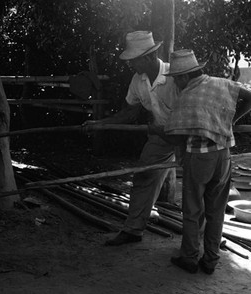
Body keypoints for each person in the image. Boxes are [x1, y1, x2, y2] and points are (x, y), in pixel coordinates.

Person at [150, 49, 251, 274]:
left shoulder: (186, 96)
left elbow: (175, 136)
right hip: (224, 154)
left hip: (199, 156)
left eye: (176, 78)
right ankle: (211, 260)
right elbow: (249, 98)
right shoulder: (221, 83)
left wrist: (156, 130)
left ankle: (189, 257)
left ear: (184, 76)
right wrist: (230, 121)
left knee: (193, 208)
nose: (175, 83)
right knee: (216, 210)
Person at [87, 31, 179, 245]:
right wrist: (99, 124)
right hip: (161, 136)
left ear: (147, 57)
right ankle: (133, 230)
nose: (130, 65)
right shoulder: (138, 81)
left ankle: (205, 235)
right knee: (143, 177)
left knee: (197, 184)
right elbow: (128, 113)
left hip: (188, 134)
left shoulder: (176, 74)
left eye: (133, 60)